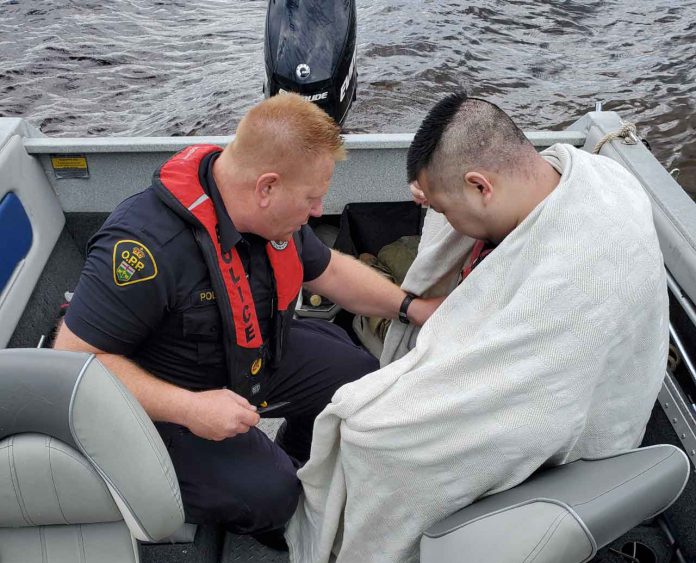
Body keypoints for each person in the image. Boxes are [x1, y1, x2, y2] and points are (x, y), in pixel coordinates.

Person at [286, 92, 668, 562]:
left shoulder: (577, 274)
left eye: (444, 210)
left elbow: (531, 415)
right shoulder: (591, 175)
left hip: (582, 444)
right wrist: (443, 198)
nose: (442, 220)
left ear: (482, 186)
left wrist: (377, 421)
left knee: (370, 439)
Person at [53, 93, 442, 549]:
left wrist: (410, 307)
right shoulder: (146, 246)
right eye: (312, 198)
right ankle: (262, 507)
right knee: (274, 496)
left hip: (248, 358)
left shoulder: (272, 219)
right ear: (266, 188)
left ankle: (295, 455)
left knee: (357, 381)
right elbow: (75, 361)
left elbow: (330, 271)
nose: (319, 211)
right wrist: (190, 409)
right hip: (167, 405)